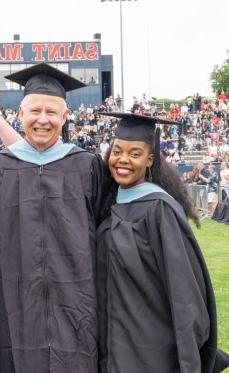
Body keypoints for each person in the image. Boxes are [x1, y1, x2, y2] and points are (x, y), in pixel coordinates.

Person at [0, 63, 104, 372]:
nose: (42, 120)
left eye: (51, 112)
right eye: (34, 111)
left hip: (78, 306)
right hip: (14, 306)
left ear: (65, 116)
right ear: (20, 115)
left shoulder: (87, 167)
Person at [97, 112, 229, 373]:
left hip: (152, 351)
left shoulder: (158, 210)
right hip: (113, 345)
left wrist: (188, 360)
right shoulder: (111, 202)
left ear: (150, 160)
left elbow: (184, 294)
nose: (122, 160)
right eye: (117, 151)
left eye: (135, 154)